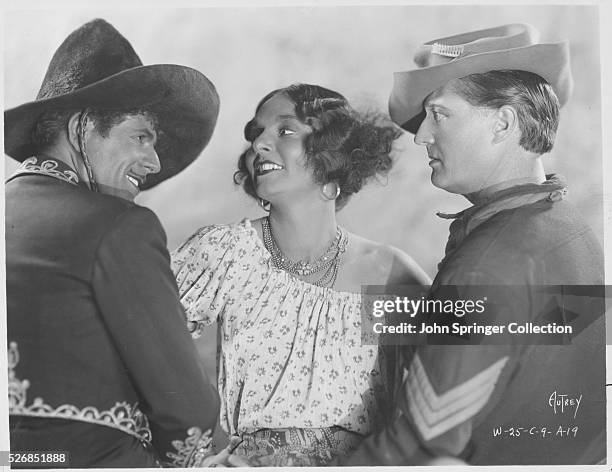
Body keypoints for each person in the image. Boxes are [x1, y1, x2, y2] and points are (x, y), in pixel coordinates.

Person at [341, 24, 606, 466]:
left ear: (503, 122)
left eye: (439, 115)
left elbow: (416, 448)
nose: (421, 136)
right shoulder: (567, 225)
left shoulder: (486, 265)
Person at [171, 83, 431, 466]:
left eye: (285, 130)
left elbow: (470, 376)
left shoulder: (389, 273)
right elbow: (138, 343)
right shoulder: (226, 252)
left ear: (333, 151)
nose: (259, 144)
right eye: (256, 133)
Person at [6, 19, 222, 467]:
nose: (154, 161)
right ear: (83, 126)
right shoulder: (119, 226)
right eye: (141, 136)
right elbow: (189, 413)